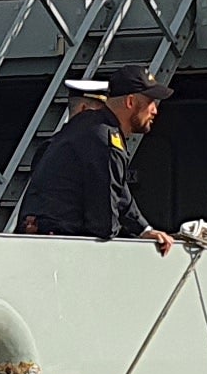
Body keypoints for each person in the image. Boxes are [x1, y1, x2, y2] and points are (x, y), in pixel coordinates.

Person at [19, 68, 172, 249]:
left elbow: (120, 192)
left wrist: (143, 229)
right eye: (150, 102)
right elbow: (104, 221)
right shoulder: (104, 140)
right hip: (61, 246)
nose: (155, 110)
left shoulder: (91, 128)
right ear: (130, 102)